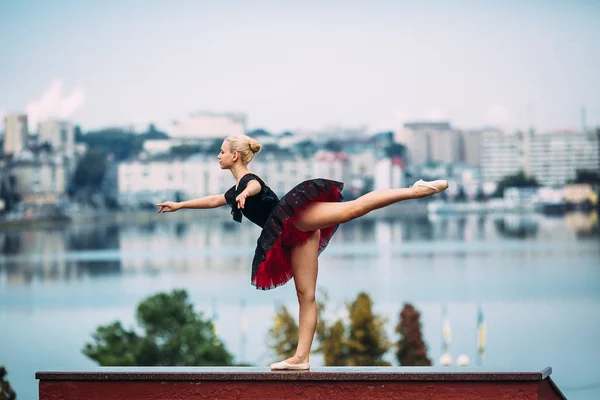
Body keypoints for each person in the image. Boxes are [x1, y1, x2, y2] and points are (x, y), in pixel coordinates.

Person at [156, 135, 448, 370]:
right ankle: (301, 358)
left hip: (297, 218)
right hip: (295, 237)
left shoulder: (247, 181)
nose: (217, 156)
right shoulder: (235, 190)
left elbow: (255, 185)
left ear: (235, 156)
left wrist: (246, 193)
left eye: (221, 151)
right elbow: (214, 199)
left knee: (353, 208)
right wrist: (180, 205)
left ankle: (415, 191)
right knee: (305, 296)